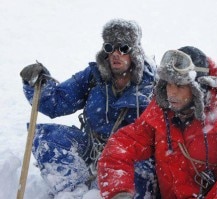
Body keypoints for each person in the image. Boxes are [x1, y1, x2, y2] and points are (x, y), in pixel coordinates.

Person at [98, 46, 217, 199]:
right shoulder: (159, 116)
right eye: (169, 85)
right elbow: (119, 147)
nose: (172, 93)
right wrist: (118, 192)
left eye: (180, 86)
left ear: (200, 88)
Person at [20, 18, 158, 197]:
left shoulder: (154, 86)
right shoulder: (94, 76)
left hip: (130, 156)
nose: (115, 54)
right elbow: (56, 102)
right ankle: (73, 193)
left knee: (142, 174)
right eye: (109, 47)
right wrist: (38, 84)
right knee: (47, 139)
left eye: (123, 48)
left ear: (135, 52)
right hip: (93, 148)